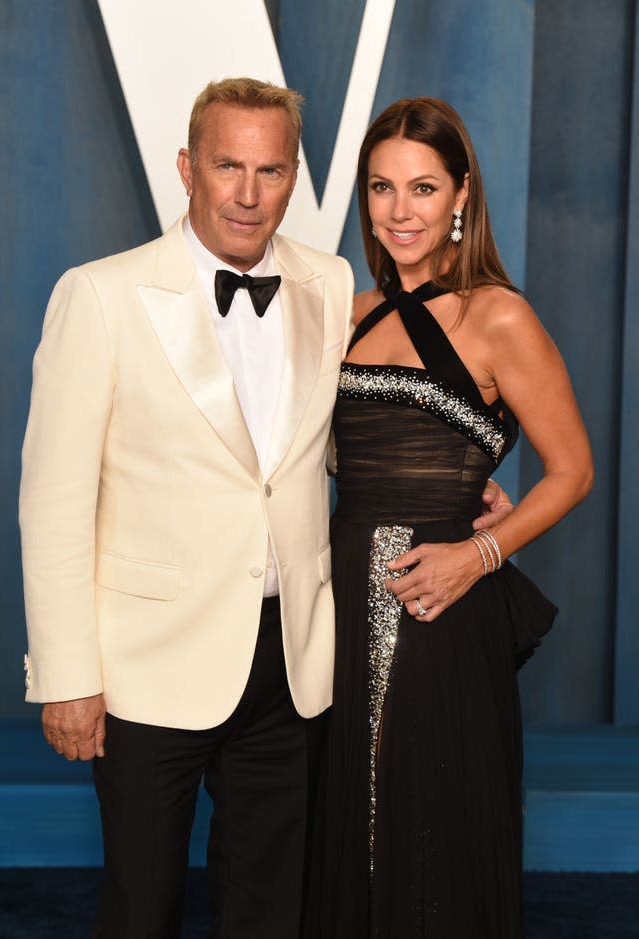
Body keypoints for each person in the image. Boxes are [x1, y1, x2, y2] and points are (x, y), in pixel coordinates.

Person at [19, 77, 356, 939]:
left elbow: (317, 450)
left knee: (272, 907)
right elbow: (53, 501)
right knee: (142, 905)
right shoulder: (99, 294)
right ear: (186, 167)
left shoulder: (329, 282)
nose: (248, 193)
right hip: (143, 665)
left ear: (293, 176)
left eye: (271, 170)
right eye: (227, 166)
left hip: (289, 659)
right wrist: (68, 676)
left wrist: (459, 489)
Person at [303, 97, 593, 939]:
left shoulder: (499, 314)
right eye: (382, 188)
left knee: (434, 824)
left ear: (461, 195)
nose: (401, 211)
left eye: (423, 188)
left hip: (441, 607)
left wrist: (480, 551)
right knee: (346, 821)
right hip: (342, 605)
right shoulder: (350, 313)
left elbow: (573, 471)